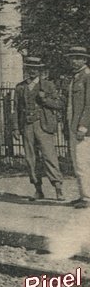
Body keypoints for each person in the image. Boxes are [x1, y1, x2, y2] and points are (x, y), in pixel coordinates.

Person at [13, 57, 65, 201]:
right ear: (26, 69)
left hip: (43, 126)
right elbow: (16, 109)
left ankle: (58, 189)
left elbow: (59, 104)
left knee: (49, 157)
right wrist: (16, 128)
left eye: (35, 68)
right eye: (29, 68)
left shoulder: (48, 85)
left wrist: (44, 100)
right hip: (27, 126)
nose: (32, 71)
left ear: (40, 70)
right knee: (31, 159)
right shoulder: (20, 87)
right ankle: (38, 189)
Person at [63, 46, 90, 209]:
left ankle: (87, 197)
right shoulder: (76, 77)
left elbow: (89, 105)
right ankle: (83, 195)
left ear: (84, 60)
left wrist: (83, 126)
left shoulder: (87, 76)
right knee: (77, 162)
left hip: (83, 129)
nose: (74, 61)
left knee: (82, 162)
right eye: (72, 58)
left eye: (78, 58)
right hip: (73, 126)